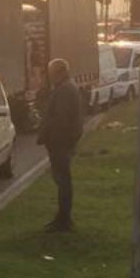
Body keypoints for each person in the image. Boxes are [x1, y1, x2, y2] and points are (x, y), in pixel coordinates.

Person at [37, 58, 83, 232]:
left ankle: (64, 219)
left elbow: (60, 118)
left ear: (59, 73)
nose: (49, 78)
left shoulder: (64, 90)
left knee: (62, 180)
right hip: (63, 141)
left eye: (51, 74)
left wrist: (51, 136)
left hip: (61, 142)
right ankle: (62, 217)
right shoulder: (66, 88)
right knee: (61, 179)